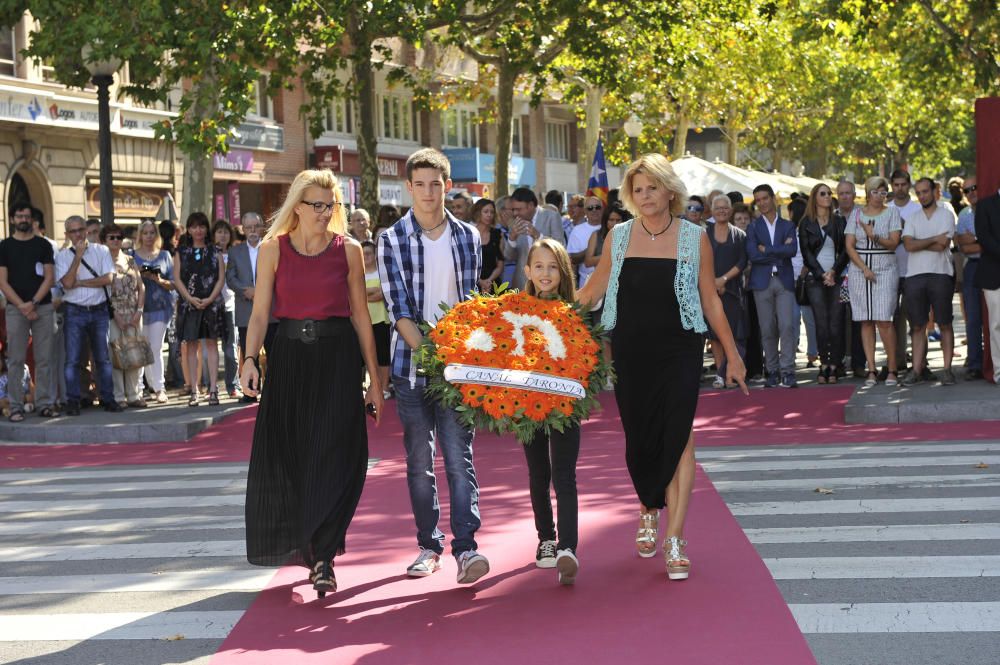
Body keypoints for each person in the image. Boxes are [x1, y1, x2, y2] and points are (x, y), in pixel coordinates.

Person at [577, 153, 748, 581]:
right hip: (632, 352)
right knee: (641, 438)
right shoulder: (619, 237)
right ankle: (648, 506)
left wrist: (732, 353)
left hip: (680, 349)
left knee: (680, 435)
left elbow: (710, 299)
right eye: (638, 189)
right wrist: (539, 314)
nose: (645, 195)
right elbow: (591, 293)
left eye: (652, 187)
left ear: (669, 190)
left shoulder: (695, 238)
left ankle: (675, 537)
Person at [241, 168, 382, 599]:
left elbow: (360, 315)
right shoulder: (272, 249)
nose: (325, 213)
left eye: (331, 205)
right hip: (287, 362)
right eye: (317, 205)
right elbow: (261, 313)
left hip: (338, 360)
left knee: (342, 454)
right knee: (293, 455)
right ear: (297, 207)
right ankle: (312, 548)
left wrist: (375, 380)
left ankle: (323, 554)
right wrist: (249, 359)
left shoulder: (350, 251)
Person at [377, 148, 489, 585]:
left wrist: (463, 359)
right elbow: (397, 307)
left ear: (447, 186)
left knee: (459, 459)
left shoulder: (467, 237)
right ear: (409, 188)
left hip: (459, 367)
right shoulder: (392, 238)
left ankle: (467, 548)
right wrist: (431, 355)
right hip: (412, 365)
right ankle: (428, 545)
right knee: (419, 461)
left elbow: (472, 306)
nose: (428, 192)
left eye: (436, 184)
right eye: (419, 184)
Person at [519, 238, 583, 585]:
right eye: (539, 266)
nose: (545, 273)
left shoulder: (574, 311)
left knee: (564, 475)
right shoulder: (514, 313)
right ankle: (546, 538)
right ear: (528, 271)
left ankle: (567, 547)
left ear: (563, 272)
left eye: (553, 267)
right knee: (538, 474)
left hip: (565, 408)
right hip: (527, 408)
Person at [56, 215, 120, 415]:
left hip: (99, 310)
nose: (77, 234)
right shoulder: (63, 256)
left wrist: (82, 283)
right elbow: (66, 284)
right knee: (73, 360)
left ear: (86, 230)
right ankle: (73, 401)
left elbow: (109, 278)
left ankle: (108, 399)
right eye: (72, 231)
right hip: (74, 311)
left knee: (103, 358)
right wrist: (78, 256)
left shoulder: (101, 251)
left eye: (80, 230)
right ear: (67, 234)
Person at [0, 201, 56, 420]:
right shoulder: (4, 247)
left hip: (42, 306)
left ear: (32, 220)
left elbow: (49, 278)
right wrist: (22, 306)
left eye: (27, 216)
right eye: (19, 216)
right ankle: (15, 406)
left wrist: (32, 302)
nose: (23, 219)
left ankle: (44, 403)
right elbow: (2, 282)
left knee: (44, 359)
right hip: (16, 309)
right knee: (15, 359)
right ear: (12, 219)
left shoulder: (43, 245)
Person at [845, 177, 903, 387]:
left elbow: (894, 243)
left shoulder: (892, 213)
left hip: (885, 266)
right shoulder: (856, 213)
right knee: (865, 320)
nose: (879, 196)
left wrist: (874, 235)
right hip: (860, 268)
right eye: (876, 191)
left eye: (883, 192)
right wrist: (864, 268)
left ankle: (893, 368)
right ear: (868, 192)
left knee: (884, 320)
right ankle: (871, 368)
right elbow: (849, 245)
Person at [900, 178, 958, 386]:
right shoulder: (913, 217)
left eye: (925, 191)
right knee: (917, 325)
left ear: (934, 191)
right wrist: (933, 239)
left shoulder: (946, 214)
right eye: (919, 192)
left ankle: (947, 370)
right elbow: (908, 245)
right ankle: (916, 370)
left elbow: (943, 245)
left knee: (944, 323)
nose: (922, 195)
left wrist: (920, 243)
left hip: (941, 273)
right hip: (914, 275)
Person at [746, 184, 799, 388]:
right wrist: (778, 250)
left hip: (783, 280)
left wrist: (766, 249)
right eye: (757, 200)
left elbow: (792, 250)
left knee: (787, 326)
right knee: (767, 328)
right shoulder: (752, 227)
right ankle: (773, 370)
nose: (761, 203)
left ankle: (788, 371)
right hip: (761, 282)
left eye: (764, 198)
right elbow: (753, 255)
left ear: (773, 199)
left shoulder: (788, 225)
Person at [173, 213, 226, 406]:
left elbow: (221, 277)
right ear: (188, 229)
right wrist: (190, 298)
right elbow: (177, 279)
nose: (198, 230)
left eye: (202, 226)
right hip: (189, 305)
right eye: (194, 227)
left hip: (211, 305)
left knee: (212, 345)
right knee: (191, 347)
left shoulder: (215, 250)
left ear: (206, 229)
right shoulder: (181, 252)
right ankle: (194, 390)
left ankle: (213, 389)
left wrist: (210, 298)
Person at [799, 183, 849, 384]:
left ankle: (835, 365)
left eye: (829, 193)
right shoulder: (806, 223)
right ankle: (824, 364)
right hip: (815, 280)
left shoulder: (839, 221)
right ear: (815, 198)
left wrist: (834, 272)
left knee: (836, 323)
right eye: (823, 193)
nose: (828, 196)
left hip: (837, 277)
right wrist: (822, 275)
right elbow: (806, 254)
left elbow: (846, 250)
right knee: (821, 324)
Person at [227, 212, 277, 403]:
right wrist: (244, 291)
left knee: (274, 352)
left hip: (272, 310)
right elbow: (230, 277)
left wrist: (264, 290)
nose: (253, 231)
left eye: (256, 226)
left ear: (262, 226)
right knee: (249, 353)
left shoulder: (272, 247)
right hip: (246, 309)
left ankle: (274, 392)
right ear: (243, 229)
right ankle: (251, 391)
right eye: (248, 227)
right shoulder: (235, 252)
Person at [706, 195, 748, 389]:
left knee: (731, 333)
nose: (722, 211)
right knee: (714, 334)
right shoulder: (704, 234)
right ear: (712, 211)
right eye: (718, 208)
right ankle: (720, 375)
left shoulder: (739, 235)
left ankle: (730, 374)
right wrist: (712, 282)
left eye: (725, 208)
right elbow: (700, 261)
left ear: (730, 210)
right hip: (709, 291)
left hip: (732, 290)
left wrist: (723, 280)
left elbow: (742, 261)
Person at [103, 224, 147, 408]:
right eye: (111, 237)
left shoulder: (130, 259)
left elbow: (141, 287)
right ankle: (119, 396)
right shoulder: (102, 261)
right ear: (104, 240)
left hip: (133, 312)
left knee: (135, 355)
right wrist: (116, 315)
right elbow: (104, 292)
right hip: (113, 313)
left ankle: (134, 395)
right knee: (116, 355)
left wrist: (139, 311)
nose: (115, 241)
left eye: (118, 237)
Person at [130, 220, 174, 403]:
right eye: (145, 233)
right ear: (140, 235)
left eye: (151, 233)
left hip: (160, 307)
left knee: (155, 348)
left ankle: (159, 388)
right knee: (142, 349)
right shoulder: (132, 256)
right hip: (138, 308)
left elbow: (172, 283)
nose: (148, 236)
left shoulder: (164, 255)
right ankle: (139, 389)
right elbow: (125, 280)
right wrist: (139, 272)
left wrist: (157, 279)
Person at [505, 188, 565, 290]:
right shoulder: (516, 222)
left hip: (547, 281)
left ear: (531, 205)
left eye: (518, 209)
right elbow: (509, 257)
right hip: (522, 284)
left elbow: (560, 246)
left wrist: (539, 236)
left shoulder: (552, 216)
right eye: (513, 209)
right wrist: (512, 239)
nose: (515, 213)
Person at [956, 176, 984, 380]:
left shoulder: (994, 209)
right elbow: (964, 247)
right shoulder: (964, 214)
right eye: (967, 190)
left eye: (975, 187)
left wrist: (975, 239)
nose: (971, 192)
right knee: (973, 318)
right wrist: (984, 241)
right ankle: (975, 363)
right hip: (972, 266)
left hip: (993, 264)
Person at [974, 181, 1000, 383]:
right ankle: (999, 371)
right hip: (993, 274)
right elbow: (984, 237)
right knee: (997, 325)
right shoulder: (985, 205)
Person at [213, 220, 241, 397]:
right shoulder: (209, 254)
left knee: (231, 349)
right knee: (209, 350)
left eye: (226, 232)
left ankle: (232, 385)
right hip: (211, 305)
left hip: (230, 304)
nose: (222, 235)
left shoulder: (235, 254)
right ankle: (210, 387)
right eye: (219, 232)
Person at [361, 240, 392, 400]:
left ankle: (384, 387)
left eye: (369, 253)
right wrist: (371, 292)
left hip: (381, 320)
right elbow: (353, 296)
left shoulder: (383, 272)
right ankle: (366, 387)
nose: (365, 256)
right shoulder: (357, 273)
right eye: (363, 253)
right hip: (362, 321)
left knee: (383, 356)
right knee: (362, 356)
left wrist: (365, 293)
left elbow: (383, 295)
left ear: (375, 255)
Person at [566, 196, 604, 287]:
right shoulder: (577, 230)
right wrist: (592, 249)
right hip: (587, 282)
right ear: (585, 211)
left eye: (597, 207)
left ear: (603, 209)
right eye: (590, 208)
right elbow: (572, 259)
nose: (594, 210)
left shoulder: (610, 227)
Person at [471, 198, 504, 293]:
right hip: (474, 285)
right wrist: (480, 281)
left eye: (492, 212)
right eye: (485, 211)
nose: (489, 215)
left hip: (493, 284)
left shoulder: (498, 234)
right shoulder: (470, 234)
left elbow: (500, 264)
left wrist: (488, 281)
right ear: (477, 213)